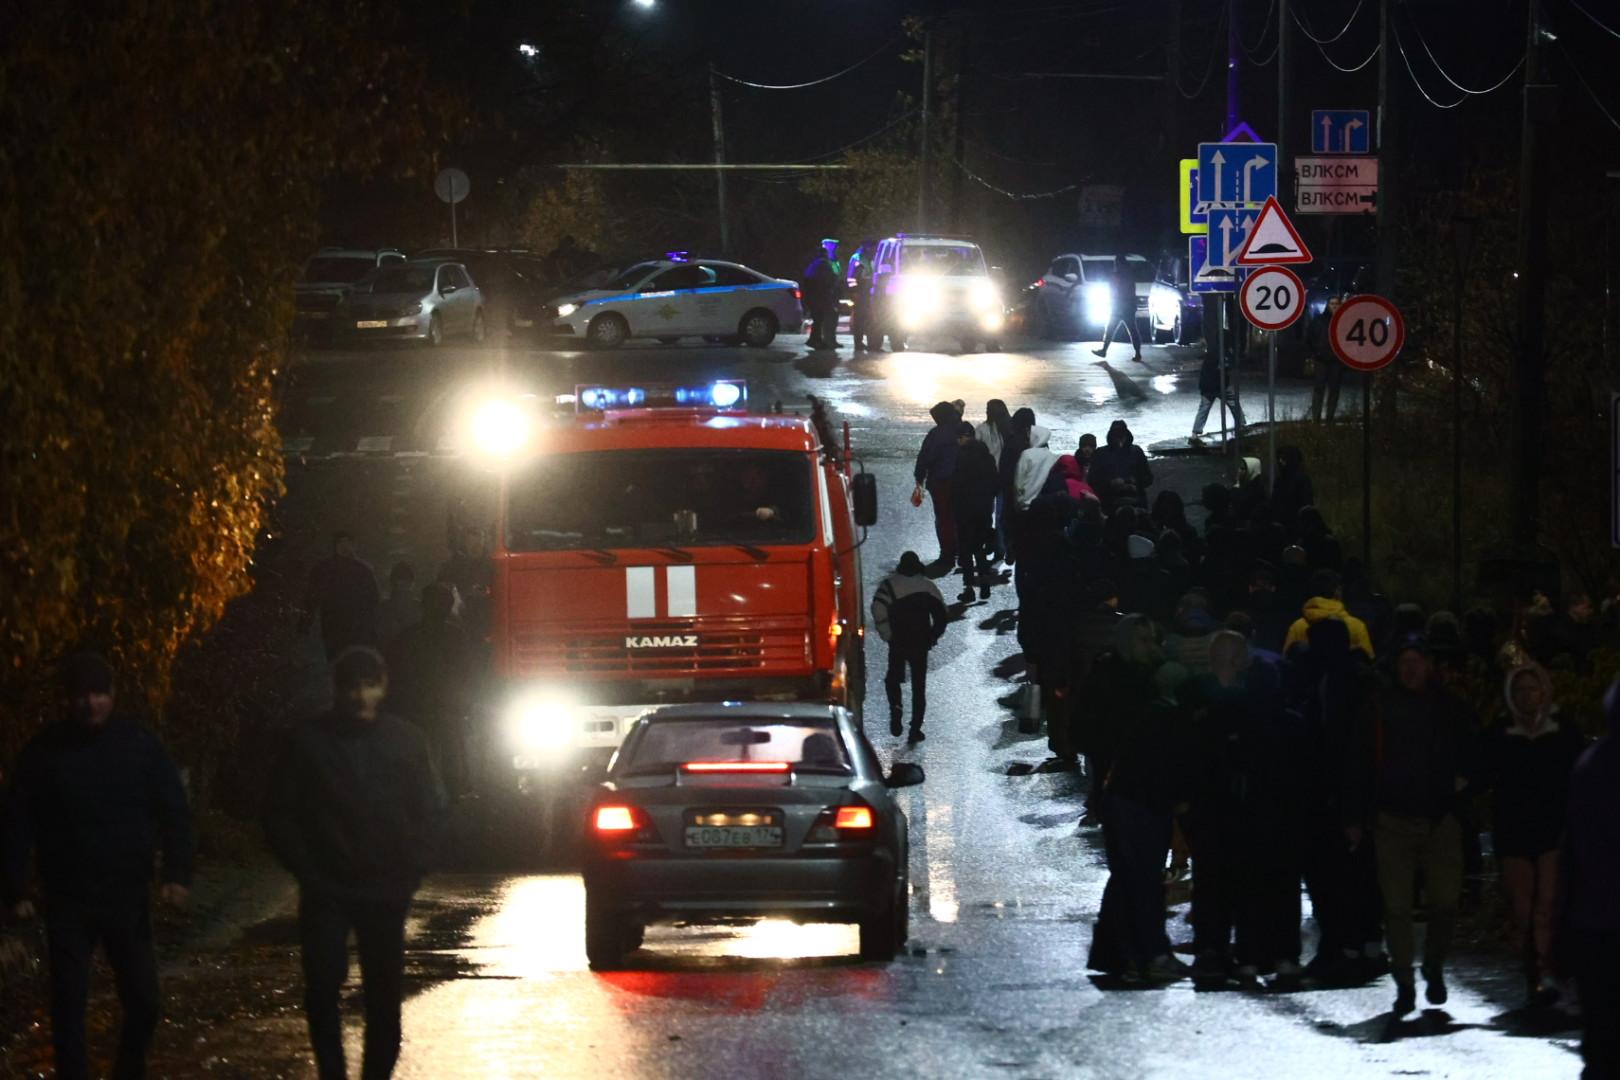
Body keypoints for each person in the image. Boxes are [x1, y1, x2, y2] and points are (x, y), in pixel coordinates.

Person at [3, 651, 193, 1080]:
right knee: (69, 1002)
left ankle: (127, 1069)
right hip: (68, 898)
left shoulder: (138, 745)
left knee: (144, 1002)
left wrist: (178, 873)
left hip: (126, 896)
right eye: (80, 694)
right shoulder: (45, 752)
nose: (90, 703)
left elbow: (174, 809)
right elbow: (17, 819)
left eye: (98, 693)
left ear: (112, 695)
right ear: (67, 699)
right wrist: (15, 889)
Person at [264, 647, 445, 1080]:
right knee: (324, 989)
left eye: (368, 685)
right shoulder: (309, 742)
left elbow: (430, 809)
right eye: (352, 686)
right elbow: (279, 813)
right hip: (330, 888)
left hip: (381, 887)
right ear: (337, 689)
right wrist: (307, 870)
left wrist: (412, 867)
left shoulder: (403, 740)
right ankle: (334, 1074)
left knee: (381, 993)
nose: (359, 696)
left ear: (383, 687)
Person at [1350, 634, 1479, 1015]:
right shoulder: (1378, 707)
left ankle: (1433, 964)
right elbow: (1359, 762)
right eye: (1405, 662)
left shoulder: (1450, 708)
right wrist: (1355, 815)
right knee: (1396, 908)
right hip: (1392, 818)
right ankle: (1405, 981)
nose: (1411, 669)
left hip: (1439, 817)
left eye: (1417, 661)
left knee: (1444, 903)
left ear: (1428, 666)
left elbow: (1475, 750)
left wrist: (1465, 781)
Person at [1088, 661, 1195, 983]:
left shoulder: (1148, 714)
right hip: (1143, 807)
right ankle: (1148, 955)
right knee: (1145, 882)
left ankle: (1120, 955)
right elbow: (1170, 771)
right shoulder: (1170, 719)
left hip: (1123, 802)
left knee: (1126, 880)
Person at [1488, 664, 1588, 1004]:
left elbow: (1580, 777)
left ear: (1545, 692)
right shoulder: (1500, 734)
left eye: (1533, 690)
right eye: (1521, 691)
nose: (1527, 697)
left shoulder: (1564, 733)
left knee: (1547, 903)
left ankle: (1546, 970)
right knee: (1523, 907)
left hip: (1553, 828)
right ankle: (1531, 967)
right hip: (1514, 829)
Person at [1563, 677, 1620, 1079]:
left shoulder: (1591, 765)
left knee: (1602, 1038)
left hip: (1595, 922)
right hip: (1600, 918)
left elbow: (1575, 853)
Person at [385, 583, 475, 797]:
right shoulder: (456, 636)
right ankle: (453, 790)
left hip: (417, 707)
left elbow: (394, 673)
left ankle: (427, 790)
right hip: (443, 706)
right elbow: (468, 673)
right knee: (451, 749)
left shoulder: (407, 637)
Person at [870, 552, 949, 742]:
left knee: (893, 678)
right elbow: (942, 615)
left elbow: (877, 609)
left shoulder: (889, 586)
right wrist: (933, 636)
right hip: (920, 642)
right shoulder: (928, 587)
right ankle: (915, 728)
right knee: (918, 686)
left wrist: (887, 634)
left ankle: (896, 709)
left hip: (898, 640)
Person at [300, 530, 381, 661]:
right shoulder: (325, 569)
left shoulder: (361, 570)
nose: (344, 546)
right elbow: (311, 598)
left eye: (347, 543)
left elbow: (373, 601)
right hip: (335, 627)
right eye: (341, 543)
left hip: (351, 629)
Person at [951, 421, 1000, 602]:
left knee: (965, 550)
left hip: (965, 511)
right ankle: (985, 581)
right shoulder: (986, 456)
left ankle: (969, 588)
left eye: (959, 437)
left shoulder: (961, 456)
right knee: (979, 547)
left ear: (964, 437)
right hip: (983, 510)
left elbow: (956, 485)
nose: (957, 441)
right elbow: (995, 483)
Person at [913, 401, 964, 569]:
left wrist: (919, 478)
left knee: (944, 518)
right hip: (963, 481)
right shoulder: (963, 430)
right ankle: (963, 550)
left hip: (942, 482)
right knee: (960, 516)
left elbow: (926, 457)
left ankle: (947, 554)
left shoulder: (937, 434)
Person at [1282, 570, 1375, 659]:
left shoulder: (1297, 626)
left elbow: (1287, 660)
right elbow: (1366, 661)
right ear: (1337, 591)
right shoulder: (1356, 625)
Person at [1087, 420, 1153, 514]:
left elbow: (1148, 478)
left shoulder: (1136, 451)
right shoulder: (1101, 453)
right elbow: (1092, 480)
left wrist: (1134, 482)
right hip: (1111, 503)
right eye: (1116, 434)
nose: (1119, 438)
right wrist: (1111, 483)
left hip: (1135, 503)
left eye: (1121, 434)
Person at [978, 400, 1014, 560]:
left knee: (985, 513)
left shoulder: (981, 430)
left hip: (986, 478)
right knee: (1001, 515)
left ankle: (987, 543)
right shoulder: (1010, 430)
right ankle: (1001, 547)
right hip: (1004, 478)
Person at [1190, 338, 1245, 442]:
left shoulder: (1213, 351)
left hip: (1208, 386)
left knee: (1204, 409)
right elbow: (1229, 365)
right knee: (1233, 402)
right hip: (1219, 386)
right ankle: (1241, 425)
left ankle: (1195, 433)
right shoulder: (1224, 353)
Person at [1091, 256, 1144, 363]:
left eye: (1116, 264)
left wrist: (1119, 305)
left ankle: (1105, 351)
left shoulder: (1122, 276)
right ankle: (1137, 353)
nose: (1115, 266)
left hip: (1121, 307)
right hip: (1124, 307)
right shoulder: (1126, 276)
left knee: (1115, 329)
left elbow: (1121, 292)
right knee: (1130, 330)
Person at [1308, 295, 1345, 422]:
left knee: (1334, 390)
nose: (1334, 306)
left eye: (1337, 303)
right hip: (1321, 359)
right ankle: (1316, 418)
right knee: (1319, 389)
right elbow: (1309, 338)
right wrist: (1315, 353)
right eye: (1332, 303)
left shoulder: (1344, 321)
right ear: (1327, 305)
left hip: (1337, 360)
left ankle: (1330, 418)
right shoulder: (1318, 321)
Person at [802, 238, 842, 351]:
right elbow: (831, 277)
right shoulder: (823, 263)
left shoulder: (817, 263)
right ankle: (816, 341)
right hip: (821, 296)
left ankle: (817, 340)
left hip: (817, 295)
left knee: (819, 319)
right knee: (820, 318)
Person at [1012, 424, 1060, 512]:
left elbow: (1018, 482)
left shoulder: (1027, 454)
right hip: (1045, 506)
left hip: (1025, 505)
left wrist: (1017, 502)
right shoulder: (1052, 457)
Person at [376, 562, 421, 646]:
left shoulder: (382, 608)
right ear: (412, 583)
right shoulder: (420, 608)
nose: (401, 585)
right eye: (400, 580)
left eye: (403, 580)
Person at [1270, 446, 1314, 527]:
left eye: (1283, 458)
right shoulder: (1279, 481)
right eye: (1279, 458)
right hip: (1279, 528)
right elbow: (1274, 503)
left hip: (1296, 527)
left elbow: (1306, 506)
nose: (1280, 461)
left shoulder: (1302, 479)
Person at [848, 239, 877, 353]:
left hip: (869, 291)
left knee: (870, 318)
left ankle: (871, 344)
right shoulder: (857, 258)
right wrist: (854, 292)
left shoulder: (872, 257)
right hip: (860, 292)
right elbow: (851, 277)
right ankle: (858, 343)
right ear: (867, 247)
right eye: (873, 247)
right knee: (860, 318)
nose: (875, 250)